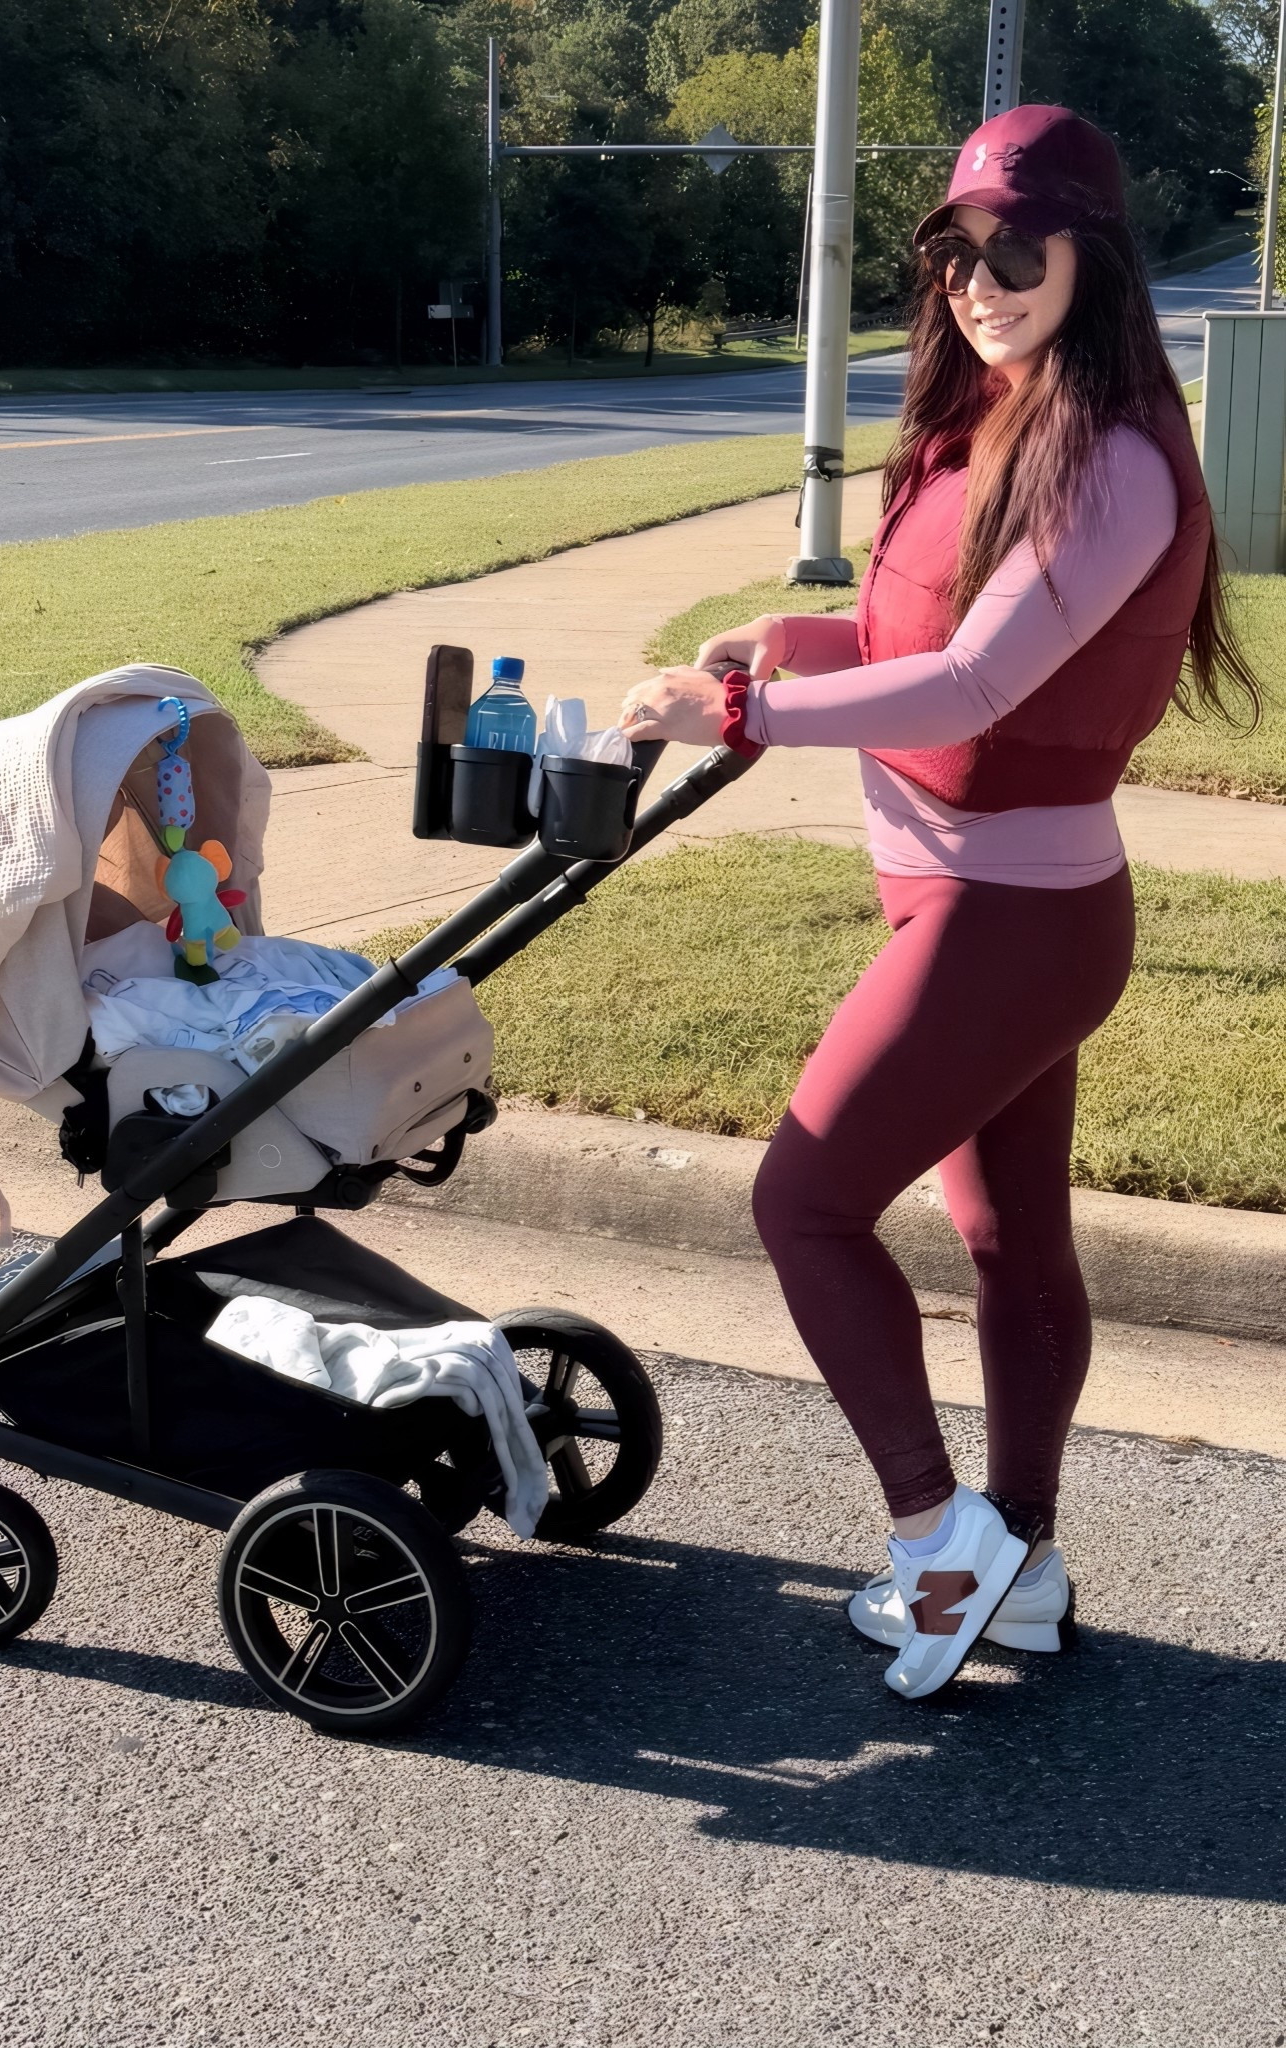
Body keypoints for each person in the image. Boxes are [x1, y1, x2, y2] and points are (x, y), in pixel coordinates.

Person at [617, 104, 1260, 1701]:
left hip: (1013, 923)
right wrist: (784, 641)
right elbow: (911, 633)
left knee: (805, 1203)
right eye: (959, 252)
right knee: (1004, 1236)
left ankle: (943, 1545)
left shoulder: (1109, 457)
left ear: (1091, 260)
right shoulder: (994, 417)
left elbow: (977, 683)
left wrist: (749, 722)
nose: (983, 280)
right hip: (964, 911)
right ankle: (1020, 1567)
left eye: (1019, 251)